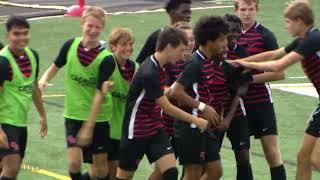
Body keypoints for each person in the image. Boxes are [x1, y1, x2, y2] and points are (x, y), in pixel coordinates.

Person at [232, 1, 319, 179]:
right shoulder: (304, 39)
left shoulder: (313, 39)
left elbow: (279, 64)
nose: (286, 26)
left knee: (316, 160)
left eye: (288, 22)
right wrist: (239, 63)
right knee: (303, 158)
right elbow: (274, 54)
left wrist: (245, 65)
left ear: (299, 21)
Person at [116, 27, 209, 180]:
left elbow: (159, 94)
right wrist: (195, 119)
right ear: (169, 47)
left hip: (155, 128)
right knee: (124, 176)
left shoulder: (161, 65)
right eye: (180, 50)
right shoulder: (149, 71)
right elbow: (166, 107)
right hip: (136, 130)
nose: (182, 55)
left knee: (171, 173)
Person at [38, 7, 111, 180]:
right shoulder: (70, 45)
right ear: (82, 24)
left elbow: (99, 94)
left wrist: (88, 127)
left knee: (100, 171)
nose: (92, 31)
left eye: (97, 27)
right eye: (89, 26)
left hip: (98, 119)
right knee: (73, 164)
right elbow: (55, 65)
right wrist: (44, 79)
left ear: (102, 28)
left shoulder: (106, 58)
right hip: (72, 115)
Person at [170, 16, 228, 180]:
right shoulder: (195, 62)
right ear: (209, 41)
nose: (225, 44)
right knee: (193, 173)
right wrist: (203, 107)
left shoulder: (208, 61)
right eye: (222, 39)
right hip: (189, 127)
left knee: (215, 171)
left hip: (203, 127)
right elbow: (176, 91)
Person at [234, 0, 286, 179]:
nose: (246, 13)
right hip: (236, 104)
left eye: (250, 9)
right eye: (243, 9)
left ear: (257, 10)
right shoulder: (229, 35)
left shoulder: (265, 36)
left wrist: (248, 79)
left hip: (261, 100)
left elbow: (279, 73)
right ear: (236, 10)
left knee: (272, 152)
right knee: (242, 155)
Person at [77, 28, 137, 180]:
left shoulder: (134, 68)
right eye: (123, 44)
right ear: (113, 46)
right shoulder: (108, 63)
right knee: (98, 172)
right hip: (101, 126)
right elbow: (94, 92)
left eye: (130, 44)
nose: (128, 48)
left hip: (119, 131)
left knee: (110, 173)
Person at [0, 16, 47, 180]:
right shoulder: (2, 62)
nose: (22, 38)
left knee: (12, 169)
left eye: (25, 33)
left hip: (20, 123)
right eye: (16, 34)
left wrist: (42, 115)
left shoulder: (33, 56)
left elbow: (34, 87)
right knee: (11, 168)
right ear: (8, 36)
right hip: (5, 123)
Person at [148, 22, 195, 180]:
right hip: (170, 123)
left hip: (191, 125)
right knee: (163, 171)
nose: (189, 43)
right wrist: (178, 89)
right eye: (186, 39)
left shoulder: (199, 61)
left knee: (193, 168)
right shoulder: (170, 62)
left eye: (193, 39)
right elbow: (163, 91)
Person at [212, 13, 253, 180]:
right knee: (209, 159)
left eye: (238, 30)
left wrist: (228, 118)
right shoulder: (211, 51)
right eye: (231, 30)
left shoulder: (242, 53)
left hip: (235, 112)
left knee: (243, 157)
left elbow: (243, 88)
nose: (235, 34)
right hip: (212, 113)